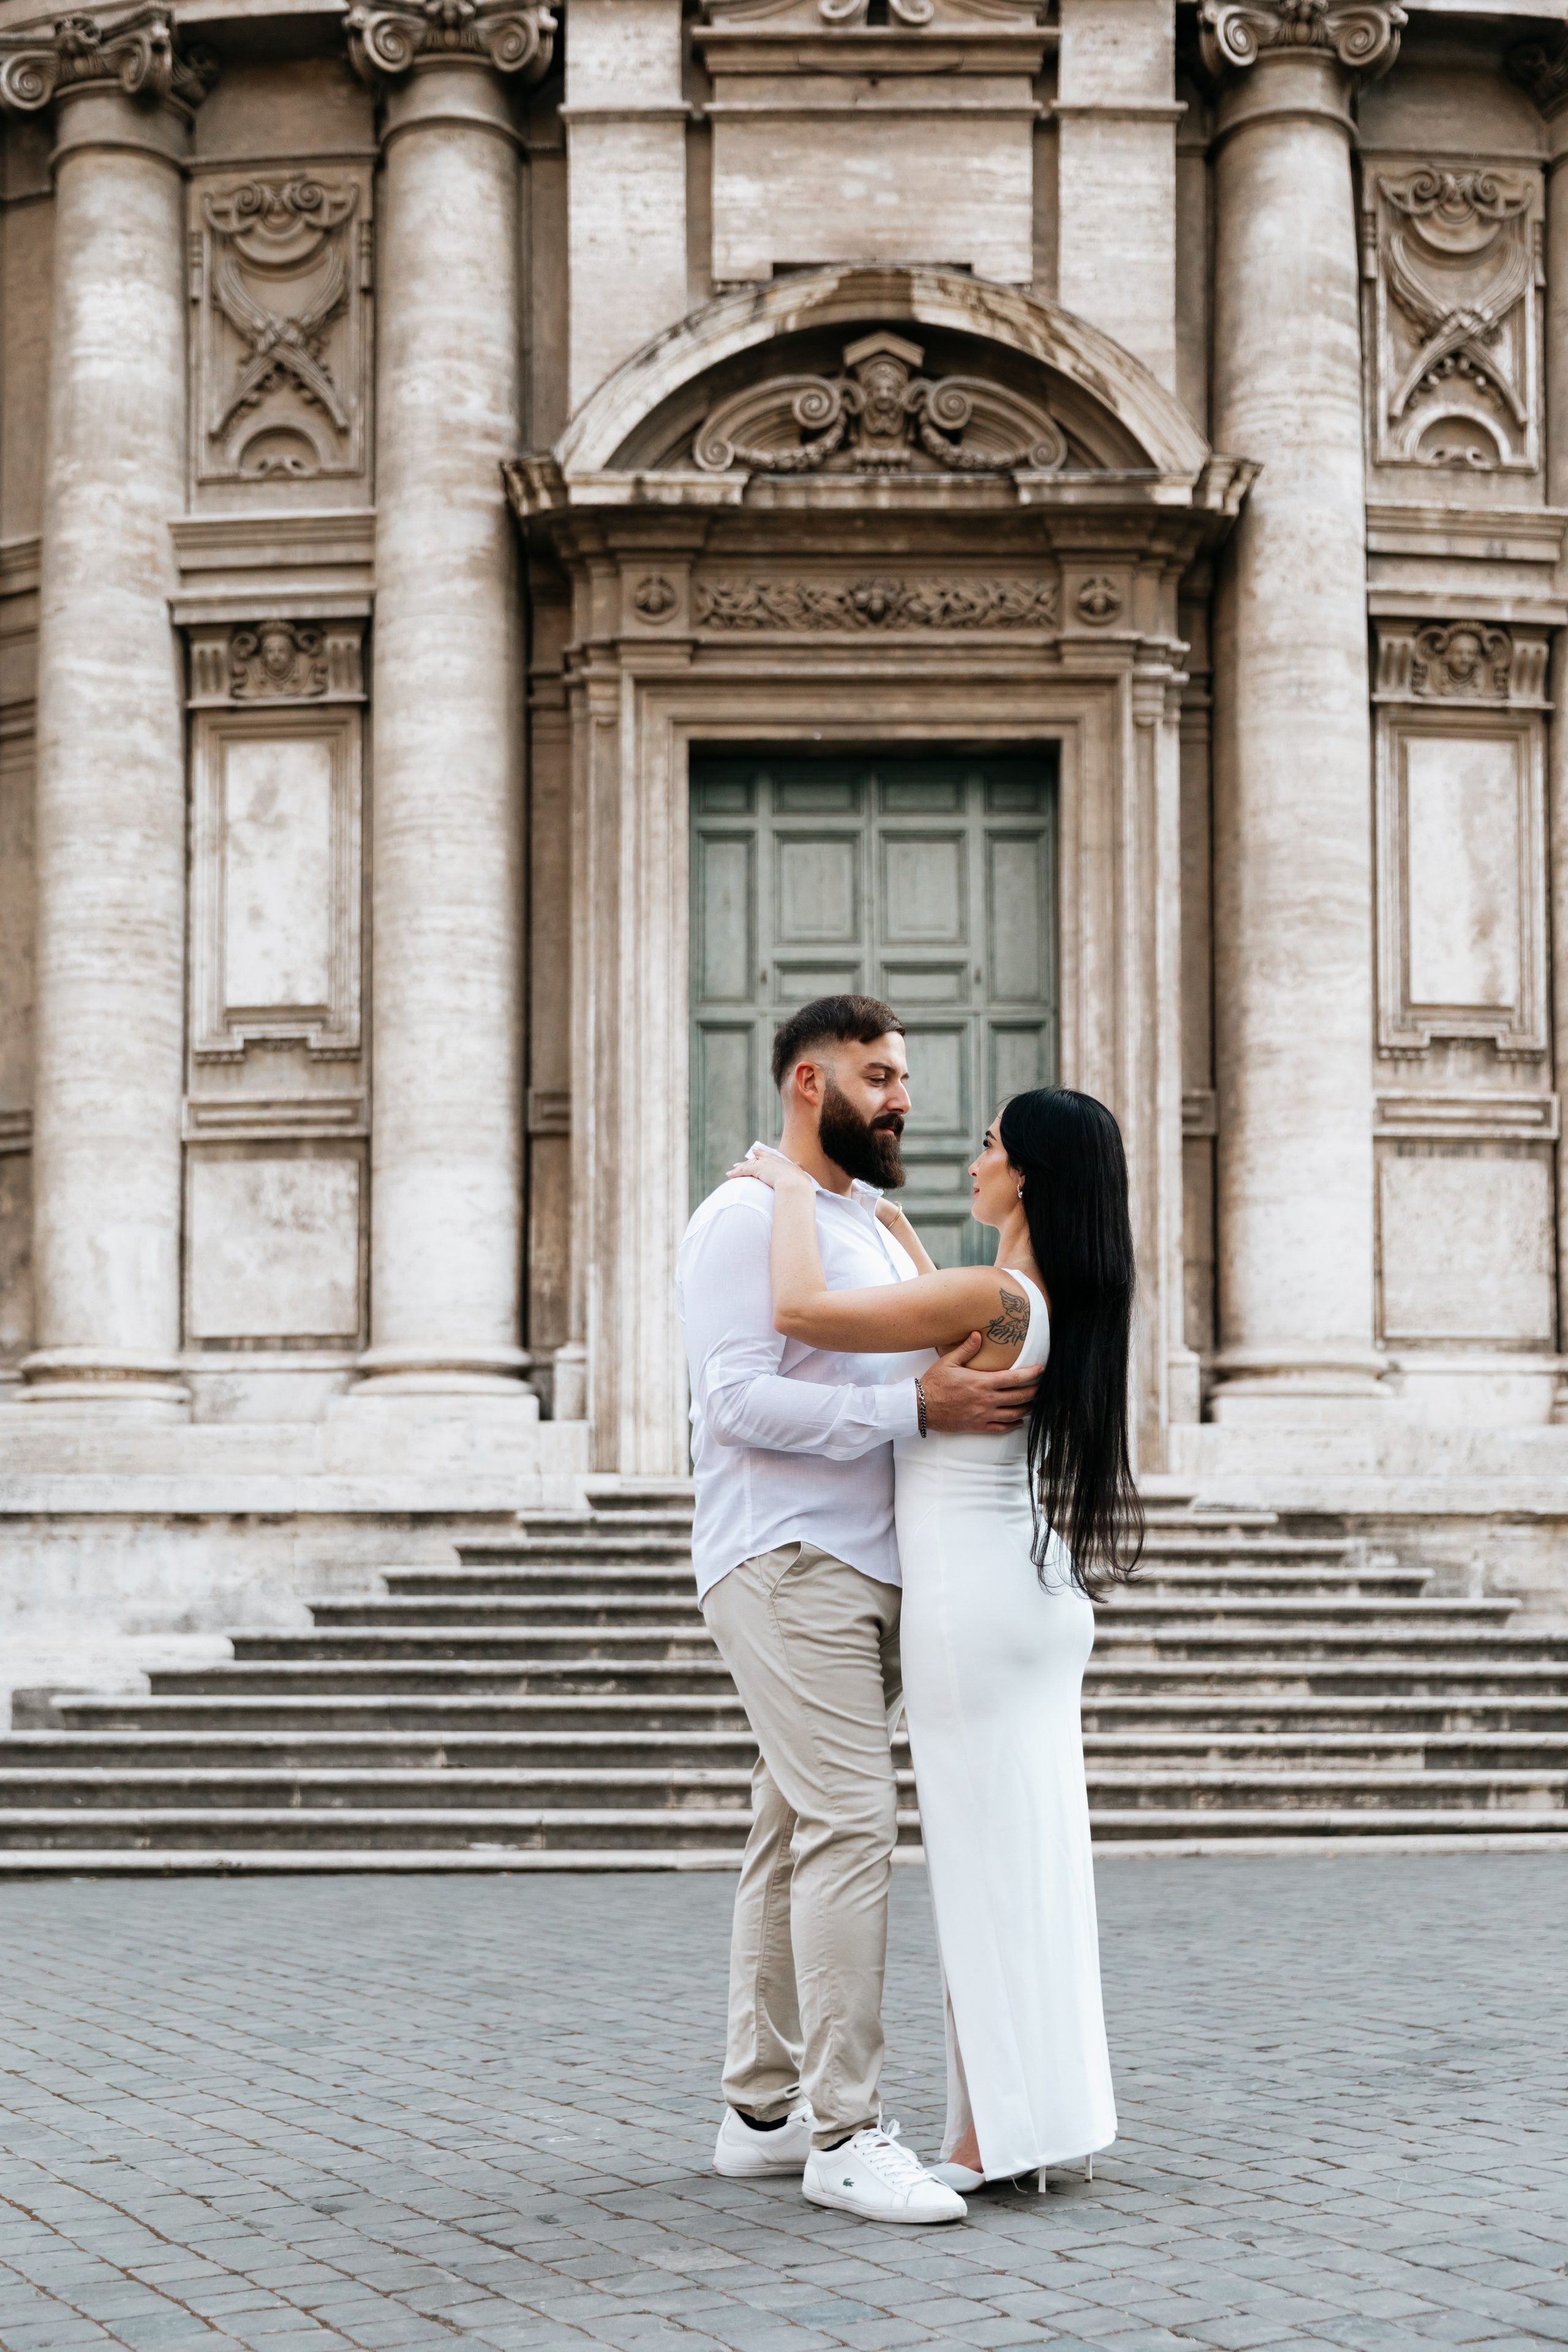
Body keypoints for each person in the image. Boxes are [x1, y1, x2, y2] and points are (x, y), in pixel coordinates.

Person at [729, 1082, 1142, 2192]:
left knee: (978, 1874)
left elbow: (800, 1311)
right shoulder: (1038, 1298)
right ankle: (1039, 2123)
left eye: (992, 1146)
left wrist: (790, 1192)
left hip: (974, 1608)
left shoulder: (994, 1297)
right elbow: (943, 1296)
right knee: (1032, 1867)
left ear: (1028, 1177)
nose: (973, 1157)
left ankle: (985, 2142)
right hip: (1028, 1597)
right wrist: (891, 1221)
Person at [677, 995, 1043, 2225]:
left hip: (872, 1565)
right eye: (878, 1076)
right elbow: (735, 1400)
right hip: (789, 1559)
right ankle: (844, 2133)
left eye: (902, 1077)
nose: (902, 1099)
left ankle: (759, 2115)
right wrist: (908, 1411)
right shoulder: (744, 1217)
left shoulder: (869, 1230)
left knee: (792, 1830)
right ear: (808, 1083)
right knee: (848, 1824)